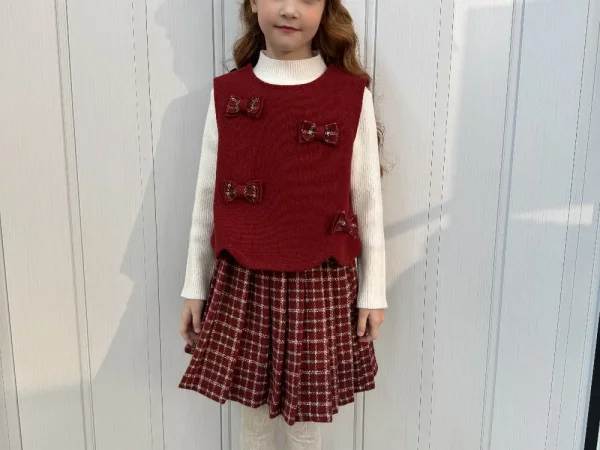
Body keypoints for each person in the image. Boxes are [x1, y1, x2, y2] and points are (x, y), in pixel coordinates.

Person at [178, 0, 387, 448]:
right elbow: (207, 198)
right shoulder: (229, 93)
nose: (290, 9)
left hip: (320, 282)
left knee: (303, 426)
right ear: (253, 3)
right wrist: (195, 284)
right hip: (245, 280)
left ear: (325, 8)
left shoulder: (352, 95)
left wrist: (373, 291)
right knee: (252, 421)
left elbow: (368, 201)